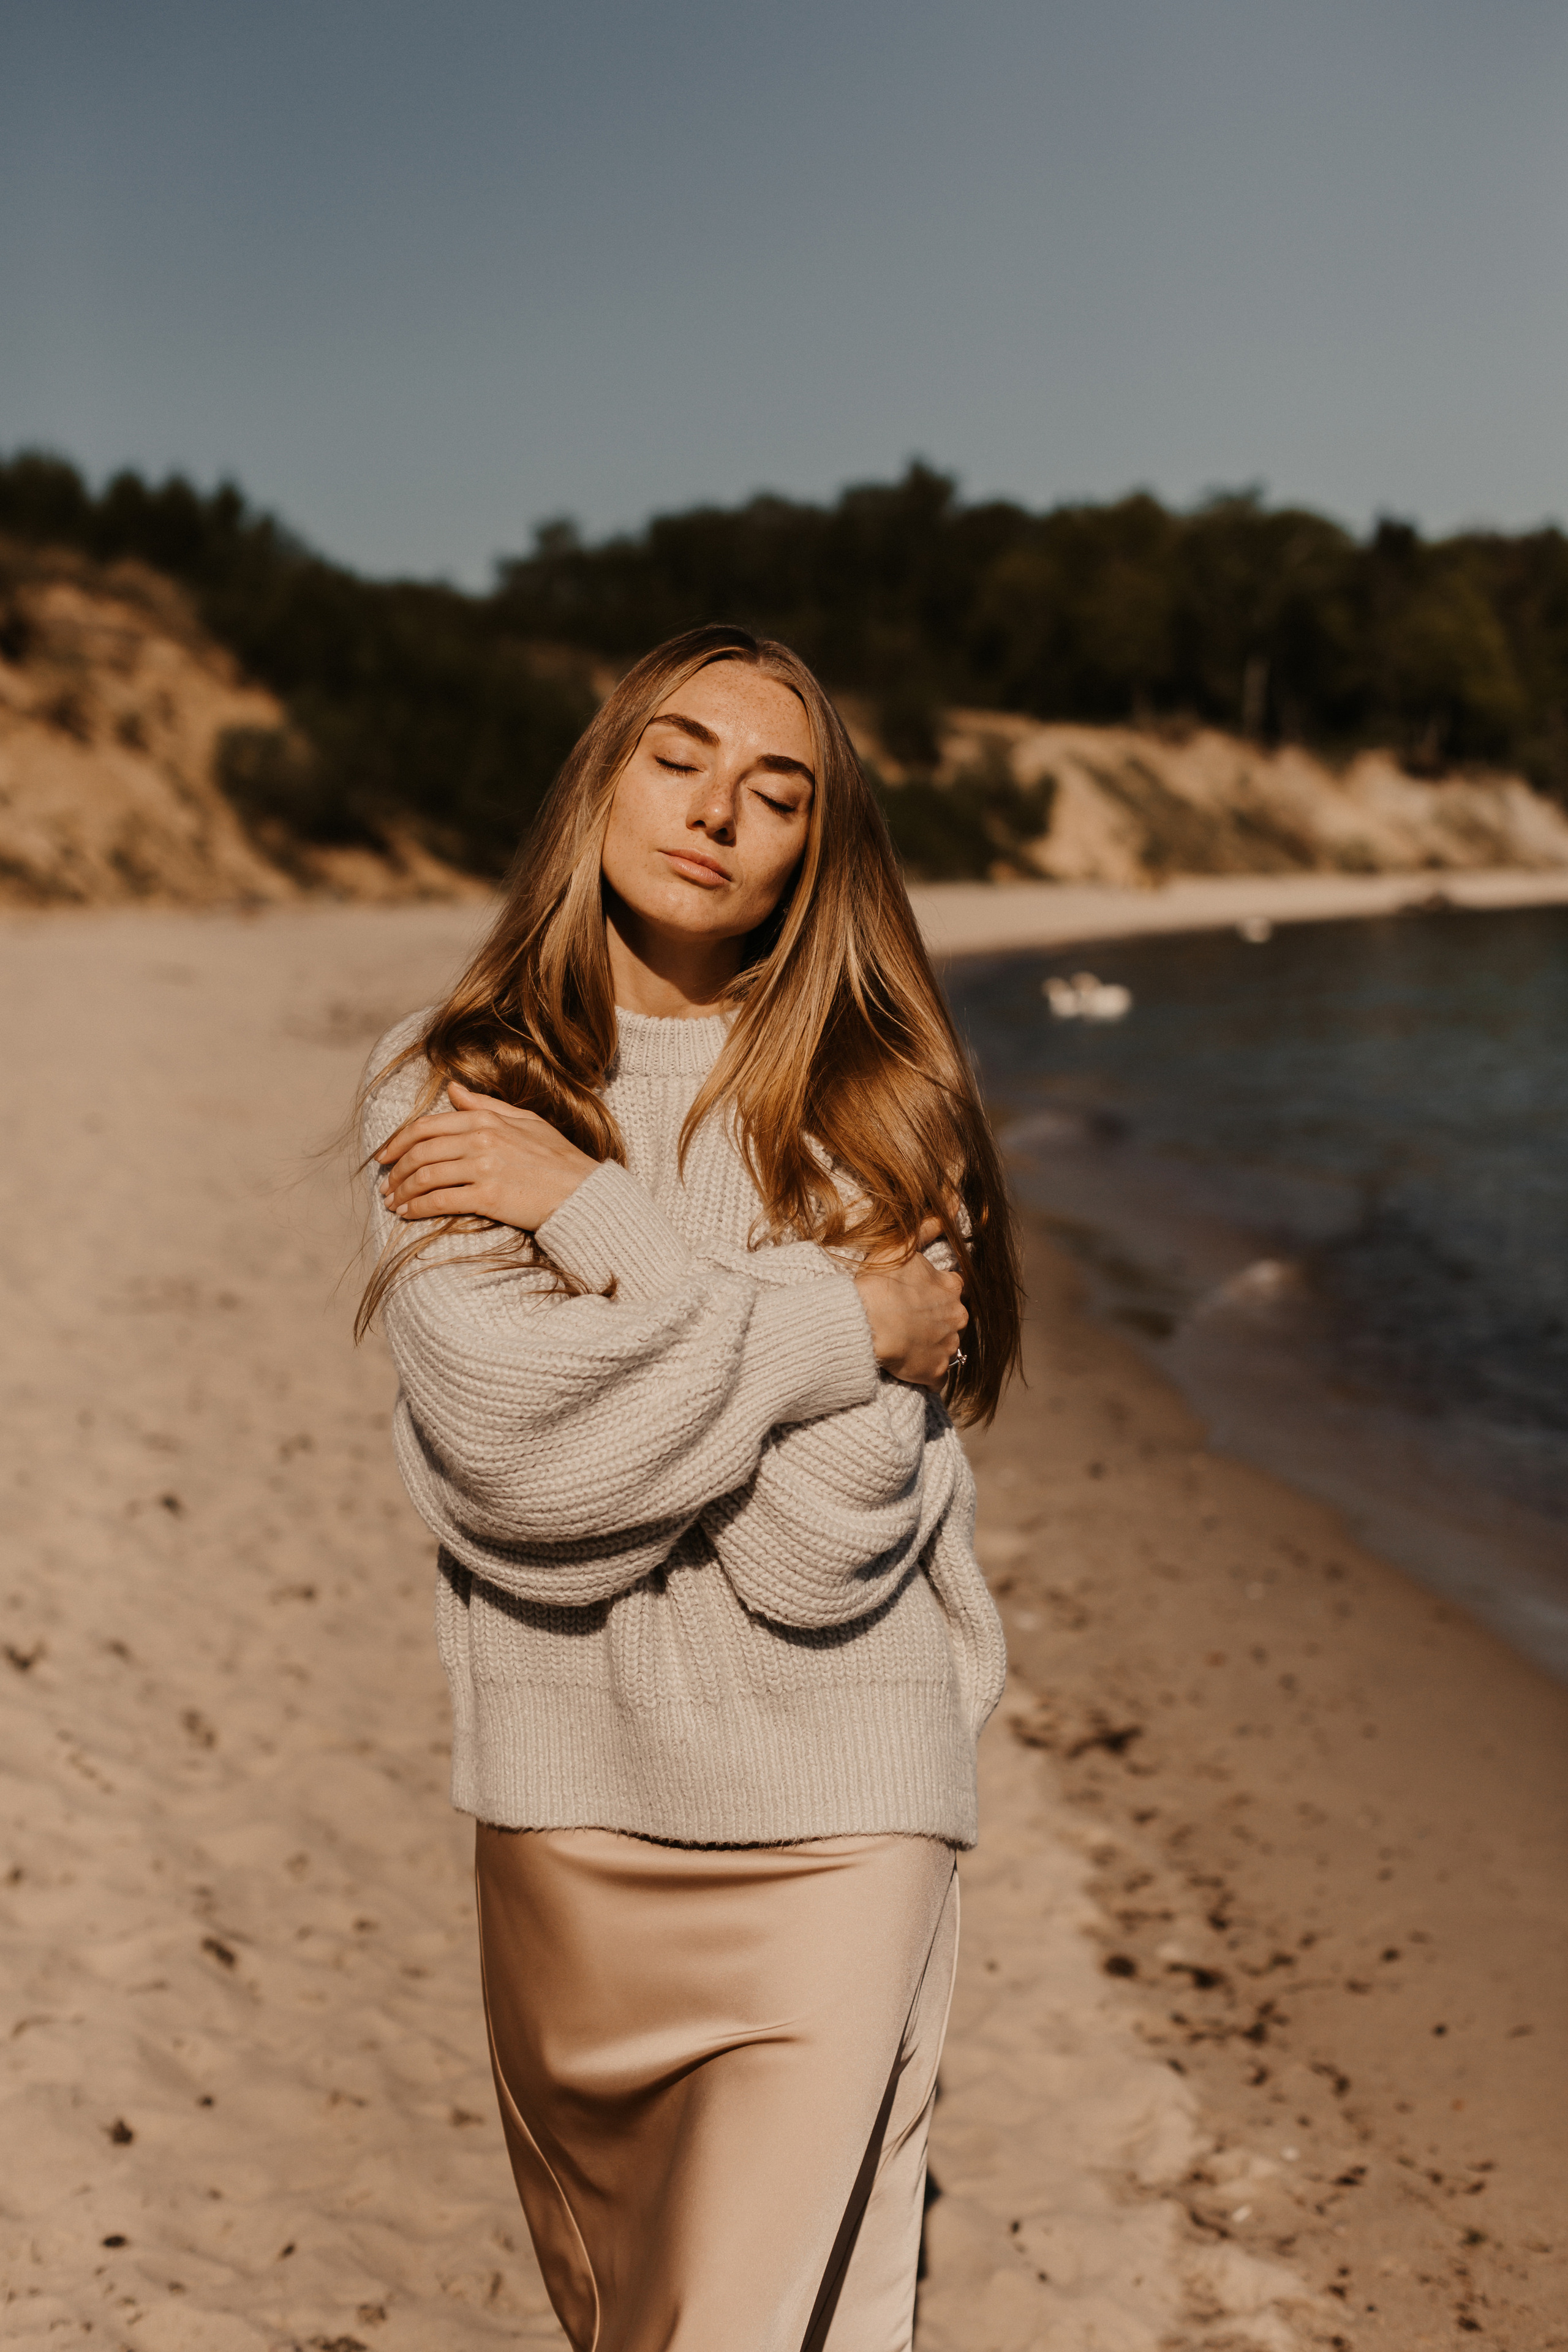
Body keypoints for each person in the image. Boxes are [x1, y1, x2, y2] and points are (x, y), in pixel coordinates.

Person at [358, 624, 1020, 2351]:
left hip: (838, 1821)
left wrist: (591, 1218)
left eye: (776, 791)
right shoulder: (454, 1086)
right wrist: (833, 1324)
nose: (717, 811)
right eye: (678, 757)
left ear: (819, 850)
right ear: (602, 781)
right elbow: (517, 1454)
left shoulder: (879, 1114)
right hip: (569, 1820)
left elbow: (817, 1554)